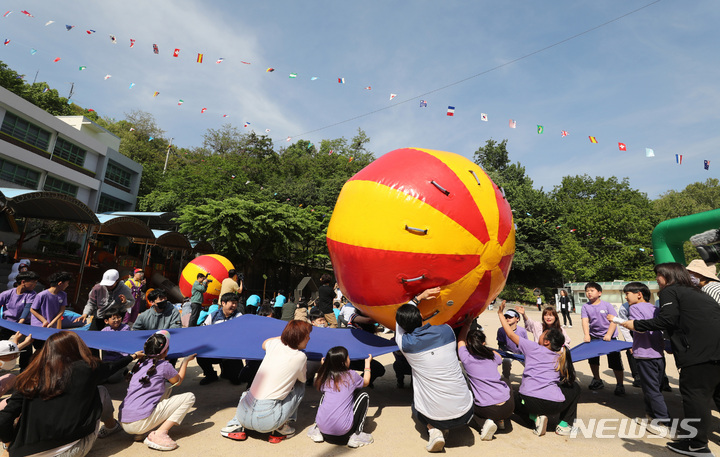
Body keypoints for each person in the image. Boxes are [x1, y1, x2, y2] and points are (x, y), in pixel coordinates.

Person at [619, 263, 720, 457]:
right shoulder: (698, 292)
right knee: (717, 395)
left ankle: (697, 445)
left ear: (667, 275)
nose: (657, 279)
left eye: (658, 275)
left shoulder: (670, 291)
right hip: (717, 351)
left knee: (695, 397)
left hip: (698, 354)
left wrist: (635, 324)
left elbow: (667, 320)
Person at [0, 331, 141, 456]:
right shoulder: (87, 369)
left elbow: (4, 418)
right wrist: (132, 356)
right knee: (101, 391)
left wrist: (8, 444)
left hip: (25, 450)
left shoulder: (30, 375)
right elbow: (111, 367)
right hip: (71, 449)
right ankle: (111, 426)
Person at [395, 287, 473, 452]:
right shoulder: (447, 332)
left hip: (435, 416)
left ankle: (433, 429)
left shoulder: (405, 345)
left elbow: (398, 325)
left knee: (415, 401)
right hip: (467, 413)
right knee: (462, 379)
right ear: (421, 317)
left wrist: (417, 298)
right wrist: (424, 298)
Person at [497, 301, 580, 437]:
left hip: (528, 401)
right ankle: (564, 425)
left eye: (543, 333)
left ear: (546, 341)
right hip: (552, 405)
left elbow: (511, 334)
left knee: (512, 397)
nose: (540, 334)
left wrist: (500, 313)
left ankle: (534, 418)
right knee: (575, 387)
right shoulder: (561, 355)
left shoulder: (532, 347)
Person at [221, 320, 313, 443]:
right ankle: (281, 427)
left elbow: (264, 343)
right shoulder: (300, 357)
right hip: (267, 420)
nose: (309, 338)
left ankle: (234, 425)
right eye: (307, 336)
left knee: (247, 393)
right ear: (298, 337)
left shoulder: (274, 344)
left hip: (243, 414)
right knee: (299, 386)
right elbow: (302, 379)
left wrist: (285, 336)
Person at [608, 282, 669, 435]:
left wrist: (617, 320)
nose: (626, 297)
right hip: (658, 355)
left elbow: (637, 327)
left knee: (651, 390)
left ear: (639, 294)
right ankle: (651, 418)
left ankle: (664, 423)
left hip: (644, 355)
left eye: (628, 293)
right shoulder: (655, 308)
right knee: (654, 388)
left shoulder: (634, 308)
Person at [119, 331, 196, 451]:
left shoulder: (140, 363)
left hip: (124, 422)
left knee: (164, 386)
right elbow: (177, 381)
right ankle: (160, 433)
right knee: (189, 397)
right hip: (139, 422)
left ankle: (141, 432)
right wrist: (185, 361)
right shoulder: (164, 365)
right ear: (165, 351)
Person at [458, 318, 513, 441]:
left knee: (466, 406)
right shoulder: (493, 355)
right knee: (506, 381)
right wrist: (486, 349)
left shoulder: (466, 358)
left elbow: (460, 340)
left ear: (468, 345)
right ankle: (501, 421)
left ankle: (484, 424)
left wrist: (467, 324)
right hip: (508, 407)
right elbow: (499, 358)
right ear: (483, 343)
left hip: (489, 410)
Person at [306, 347, 373, 448]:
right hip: (344, 434)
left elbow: (326, 372)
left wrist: (324, 366)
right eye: (348, 358)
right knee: (364, 395)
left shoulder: (325, 376)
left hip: (323, 431)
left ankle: (316, 428)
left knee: (326, 395)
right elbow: (366, 381)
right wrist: (367, 363)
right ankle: (357, 434)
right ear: (344, 362)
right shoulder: (351, 375)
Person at [581, 282, 625, 396]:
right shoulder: (585, 306)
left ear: (599, 293)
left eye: (592, 290)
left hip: (610, 337)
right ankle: (597, 380)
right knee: (593, 359)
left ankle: (620, 384)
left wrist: (609, 335)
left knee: (615, 361)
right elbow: (585, 321)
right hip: (594, 336)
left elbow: (614, 321)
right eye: (587, 291)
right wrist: (587, 335)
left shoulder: (607, 305)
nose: (589, 293)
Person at [197, 293, 244, 385]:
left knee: (236, 380)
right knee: (200, 356)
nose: (234, 306)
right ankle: (211, 375)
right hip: (215, 349)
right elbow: (203, 330)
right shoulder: (213, 316)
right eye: (232, 303)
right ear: (223, 303)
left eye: (236, 303)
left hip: (231, 351)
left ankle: (228, 372)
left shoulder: (239, 316)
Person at [0, 271, 39, 369]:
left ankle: (24, 369)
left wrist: (21, 322)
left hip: (23, 324)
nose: (35, 284)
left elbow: (27, 308)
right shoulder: (7, 293)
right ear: (23, 282)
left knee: (26, 346)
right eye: (33, 282)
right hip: (7, 323)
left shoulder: (32, 294)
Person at [0, 331, 33, 409]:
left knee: (11, 377)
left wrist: (16, 342)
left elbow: (7, 355)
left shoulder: (2, 359)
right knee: (13, 401)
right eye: (13, 356)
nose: (14, 357)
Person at [101, 309, 132, 383]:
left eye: (118, 317)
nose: (117, 320)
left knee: (113, 380)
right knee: (101, 378)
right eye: (113, 318)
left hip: (121, 359)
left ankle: (123, 370)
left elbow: (121, 340)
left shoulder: (125, 328)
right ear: (106, 321)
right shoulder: (104, 331)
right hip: (108, 360)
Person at [496, 308, 528, 380]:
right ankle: (506, 379)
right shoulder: (501, 330)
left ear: (517, 319)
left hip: (521, 352)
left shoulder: (522, 331)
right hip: (509, 352)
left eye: (510, 317)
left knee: (530, 366)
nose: (507, 319)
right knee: (506, 361)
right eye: (506, 317)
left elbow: (526, 345)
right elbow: (501, 345)